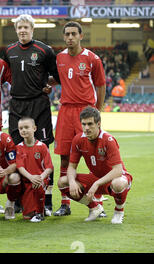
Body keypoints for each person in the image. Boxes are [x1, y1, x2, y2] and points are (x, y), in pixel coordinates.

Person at [3, 14, 60, 215]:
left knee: (42, 150)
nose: (22, 31)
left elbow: (58, 75)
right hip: (17, 105)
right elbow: (5, 72)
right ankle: (19, 197)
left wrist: (47, 85)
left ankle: (48, 199)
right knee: (18, 151)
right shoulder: (9, 51)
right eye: (19, 28)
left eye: (26, 27)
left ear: (32, 29)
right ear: (16, 30)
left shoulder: (45, 50)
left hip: (39, 105)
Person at [53, 21, 107, 217]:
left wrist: (97, 111)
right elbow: (59, 78)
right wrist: (47, 85)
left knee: (95, 157)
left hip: (86, 112)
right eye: (66, 34)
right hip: (66, 111)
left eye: (73, 34)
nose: (69, 37)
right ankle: (65, 202)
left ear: (81, 36)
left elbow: (101, 86)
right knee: (65, 156)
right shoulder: (59, 58)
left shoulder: (93, 59)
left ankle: (98, 200)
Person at [57, 106, 132, 224]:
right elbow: (71, 167)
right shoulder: (78, 139)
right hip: (96, 178)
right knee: (63, 182)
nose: (86, 128)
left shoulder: (108, 140)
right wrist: (72, 182)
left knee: (118, 184)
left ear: (98, 124)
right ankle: (95, 208)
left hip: (115, 178)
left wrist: (97, 183)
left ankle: (119, 211)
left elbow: (118, 170)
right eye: (84, 124)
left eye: (90, 124)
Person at [14, 117, 53, 222]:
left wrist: (40, 178)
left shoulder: (42, 146)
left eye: (26, 127)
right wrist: (31, 177)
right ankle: (40, 207)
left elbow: (49, 168)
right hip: (26, 181)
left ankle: (40, 213)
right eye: (21, 128)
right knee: (27, 216)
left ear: (34, 128)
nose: (23, 130)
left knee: (38, 184)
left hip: (40, 180)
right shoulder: (18, 148)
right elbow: (20, 167)